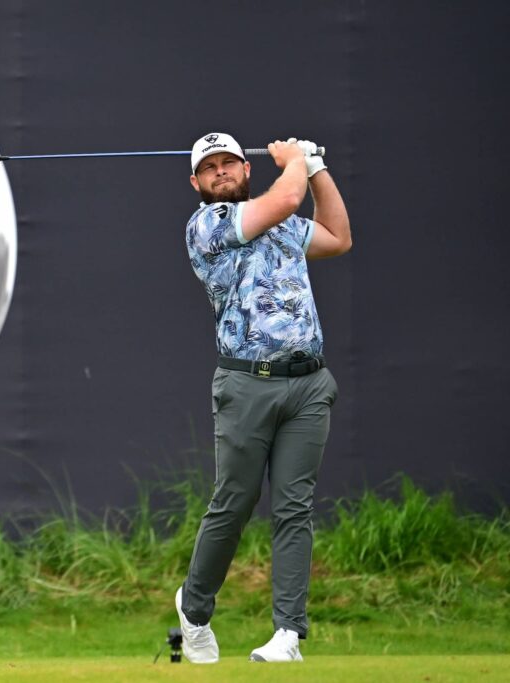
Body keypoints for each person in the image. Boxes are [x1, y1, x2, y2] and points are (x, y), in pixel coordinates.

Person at [175, 133, 351, 663]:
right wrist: (295, 161)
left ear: (246, 169)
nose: (221, 171)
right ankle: (194, 609)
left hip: (308, 383)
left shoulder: (281, 226)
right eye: (210, 167)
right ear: (195, 182)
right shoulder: (207, 226)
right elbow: (286, 198)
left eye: (229, 162)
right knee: (235, 503)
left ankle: (288, 634)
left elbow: (337, 237)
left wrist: (315, 168)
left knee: (295, 506)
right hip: (247, 384)